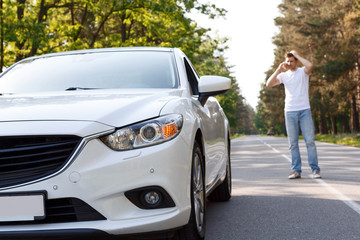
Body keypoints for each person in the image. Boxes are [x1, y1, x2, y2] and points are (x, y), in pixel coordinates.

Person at [266, 50, 321, 179]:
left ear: (296, 61)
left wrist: (298, 56)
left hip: (304, 110)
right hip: (290, 111)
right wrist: (278, 69)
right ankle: (296, 170)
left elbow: (310, 66)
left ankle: (315, 170)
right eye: (288, 61)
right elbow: (268, 84)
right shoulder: (284, 76)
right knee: (293, 143)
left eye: (292, 61)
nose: (290, 63)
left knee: (310, 141)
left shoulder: (303, 71)